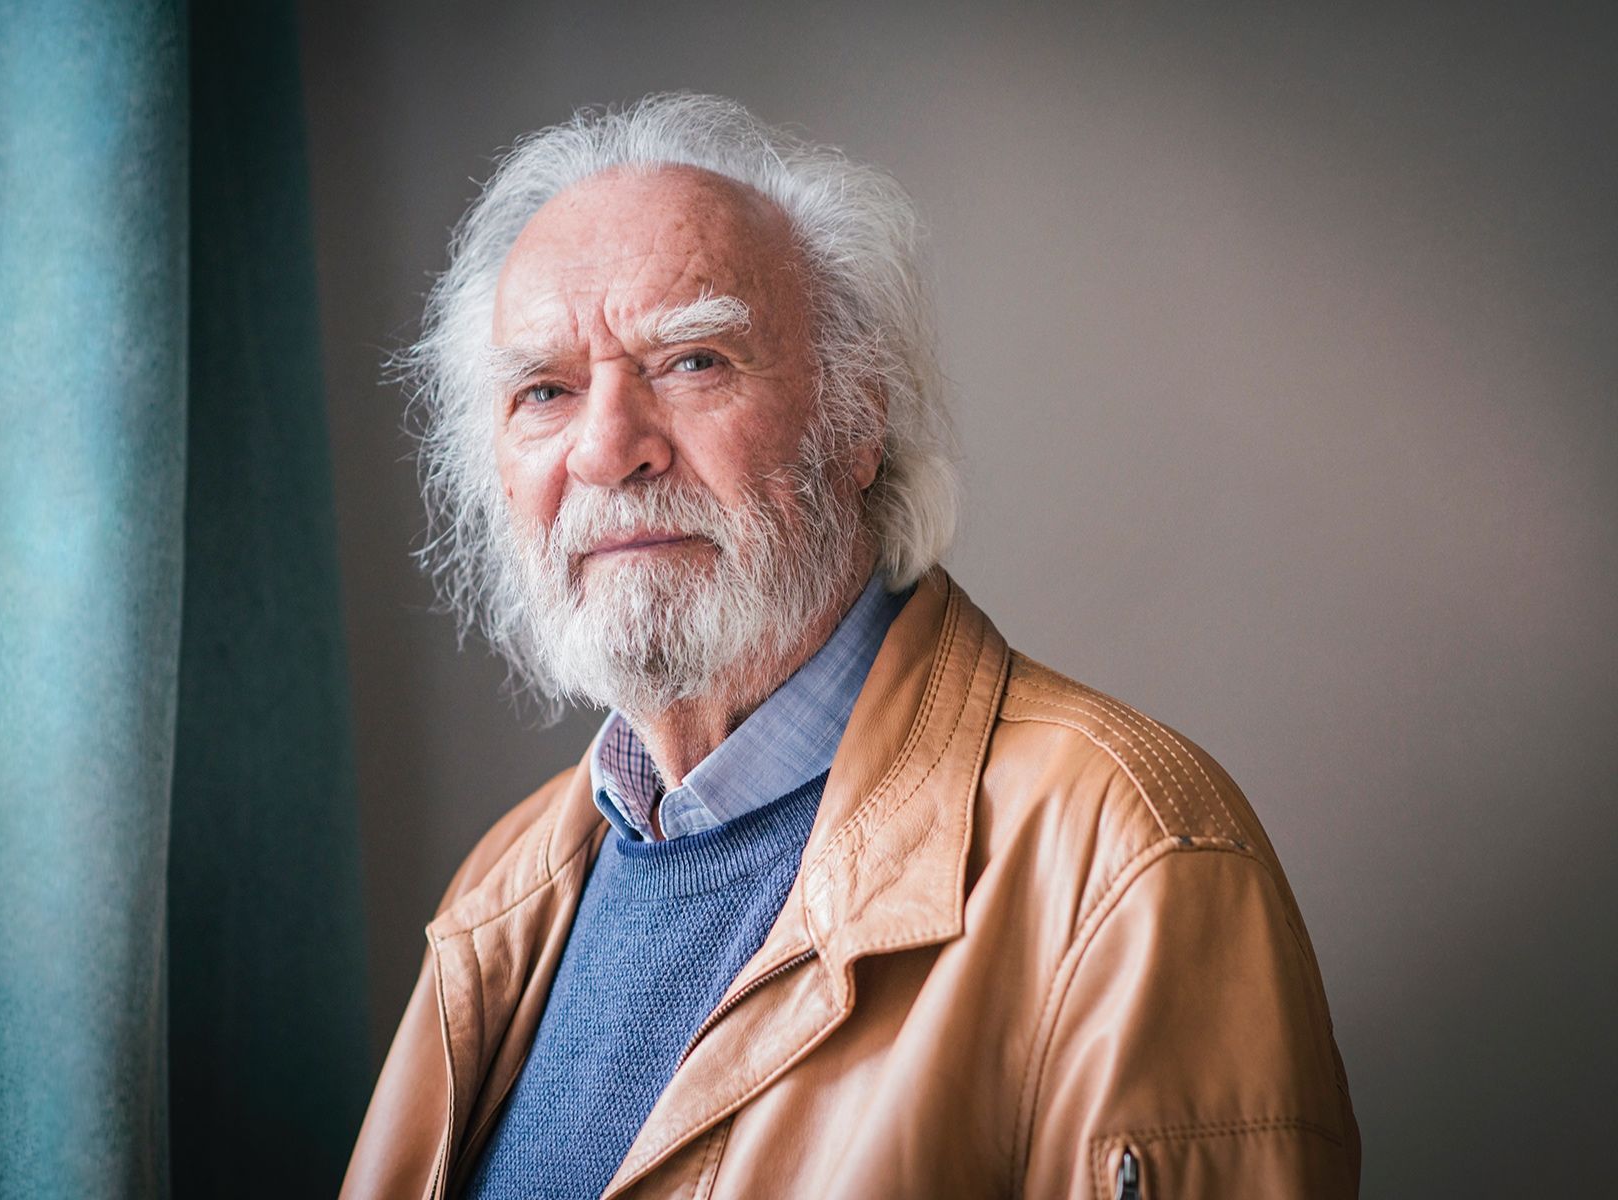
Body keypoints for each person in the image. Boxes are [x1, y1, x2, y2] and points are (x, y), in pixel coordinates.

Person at [342, 93, 1359, 1200]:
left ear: (859, 415)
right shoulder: (503, 889)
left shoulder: (1129, 857)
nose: (608, 447)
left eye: (693, 361)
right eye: (544, 390)